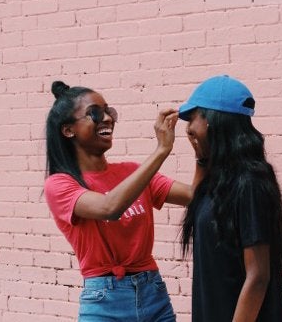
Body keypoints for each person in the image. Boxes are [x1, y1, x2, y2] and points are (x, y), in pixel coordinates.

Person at [43, 81, 198, 322]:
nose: (106, 118)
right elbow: (110, 207)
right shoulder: (59, 184)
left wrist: (201, 145)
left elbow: (193, 196)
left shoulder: (132, 172)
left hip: (153, 294)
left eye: (109, 111)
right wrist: (161, 151)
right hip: (105, 303)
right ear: (68, 130)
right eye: (94, 112)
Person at [178, 75, 282, 322]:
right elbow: (194, 201)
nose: (188, 128)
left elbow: (258, 276)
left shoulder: (249, 182)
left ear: (212, 121)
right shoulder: (217, 179)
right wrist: (200, 157)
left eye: (193, 116)